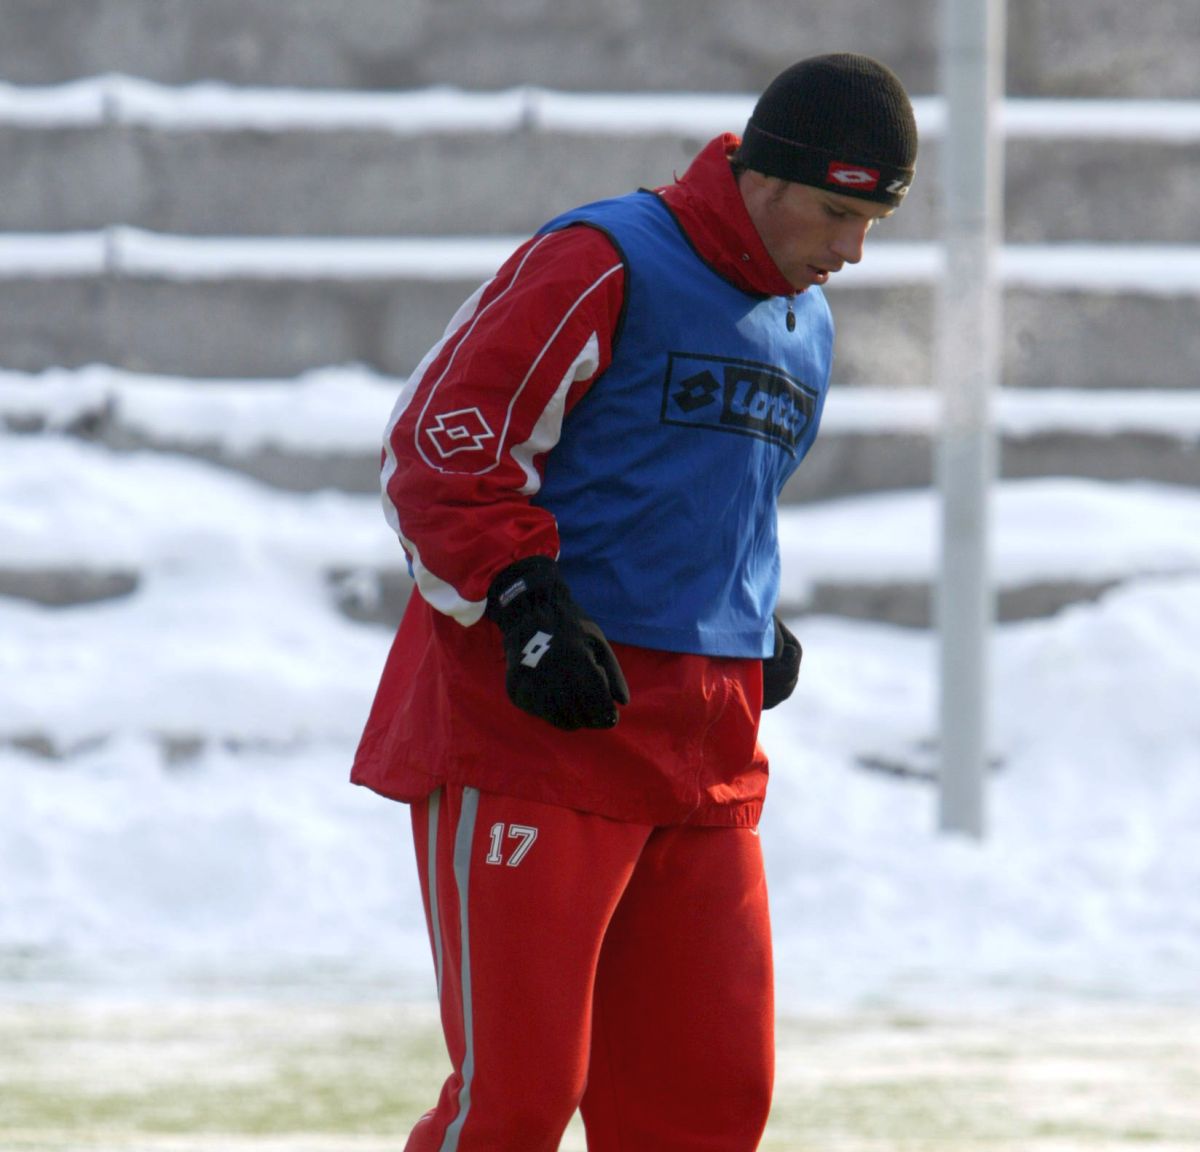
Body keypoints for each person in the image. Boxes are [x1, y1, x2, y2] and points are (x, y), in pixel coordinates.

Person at [352, 52, 917, 1152]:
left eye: (874, 223)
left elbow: (704, 495)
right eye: (837, 212)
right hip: (534, 738)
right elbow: (441, 450)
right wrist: (522, 599)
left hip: (702, 753)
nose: (851, 251)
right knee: (514, 1104)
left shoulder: (807, 324)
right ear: (764, 174)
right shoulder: (603, 257)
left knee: (704, 1106)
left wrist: (748, 619)